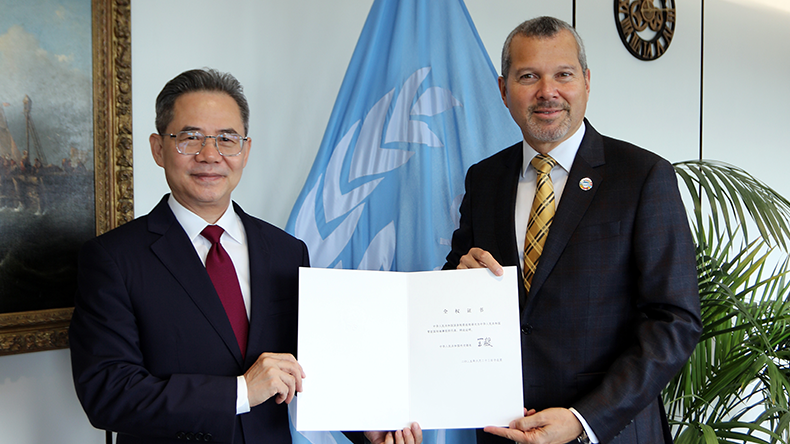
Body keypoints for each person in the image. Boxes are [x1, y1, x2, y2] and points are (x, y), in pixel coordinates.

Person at [70, 68, 421, 444]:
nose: (210, 155)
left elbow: (311, 365)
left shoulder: (286, 251)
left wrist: (368, 427)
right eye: (190, 138)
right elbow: (108, 394)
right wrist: (240, 392)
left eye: (226, 139)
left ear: (246, 150)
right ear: (158, 148)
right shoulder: (112, 259)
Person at [443, 17, 701, 444]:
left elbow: (674, 320)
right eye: (529, 76)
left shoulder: (642, 176)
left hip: (607, 431)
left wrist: (584, 419)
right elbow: (457, 280)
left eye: (563, 74)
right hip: (504, 430)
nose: (548, 91)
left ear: (585, 81)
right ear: (504, 89)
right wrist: (456, 280)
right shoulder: (484, 179)